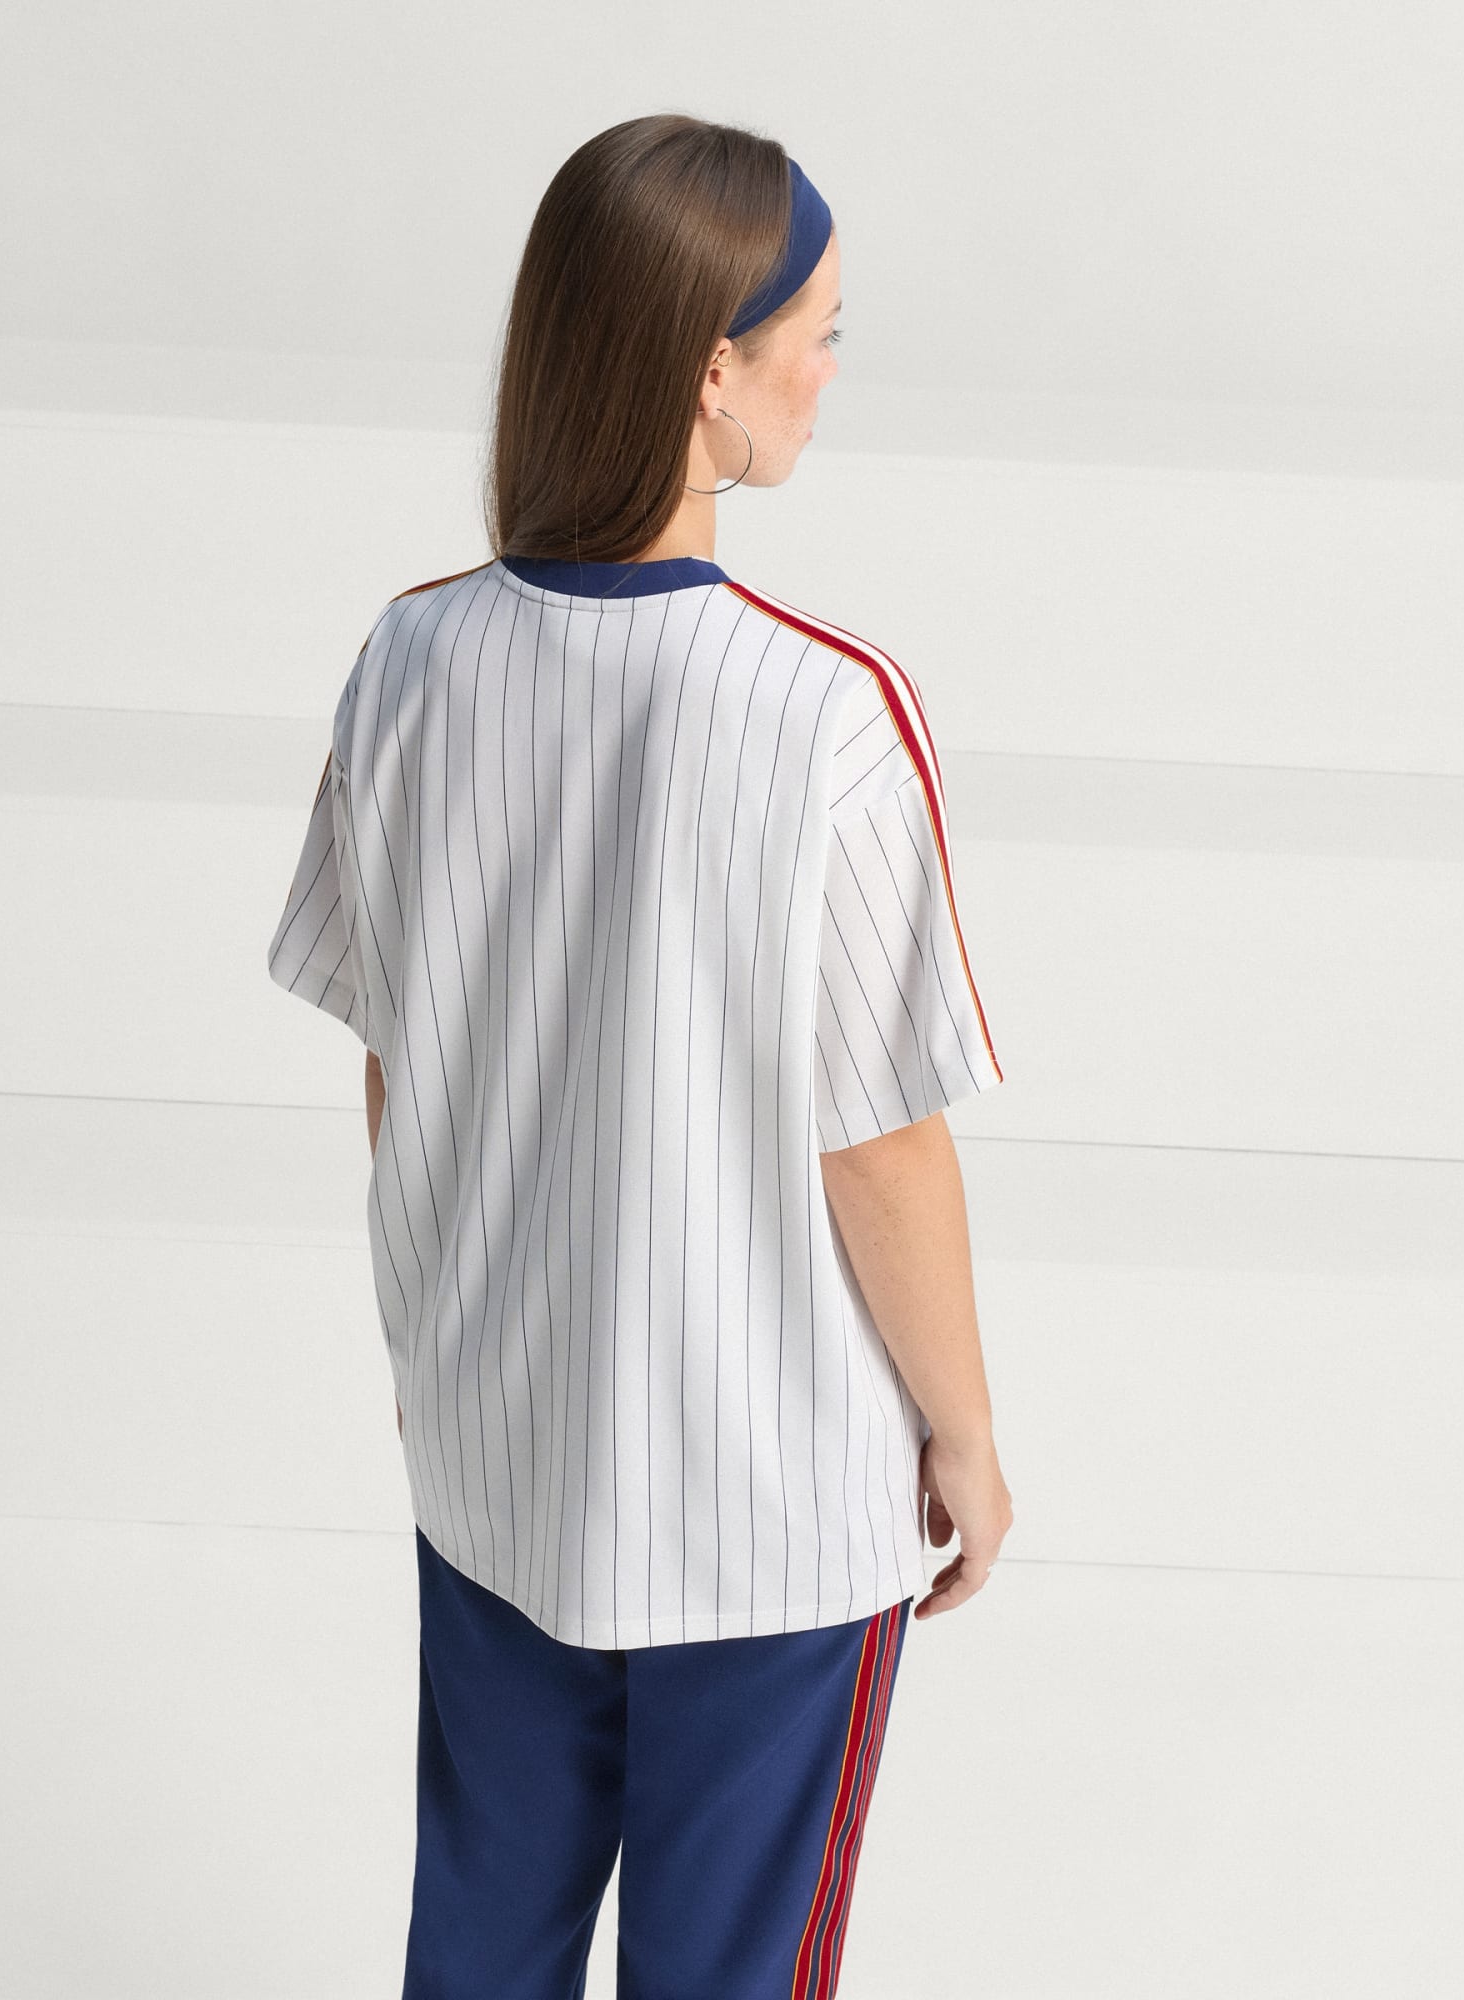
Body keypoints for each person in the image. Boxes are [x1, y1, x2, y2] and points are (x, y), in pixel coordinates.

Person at [266, 113, 1013, 2000]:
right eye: (819, 335)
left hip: (500, 1457)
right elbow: (880, 1144)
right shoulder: (830, 714)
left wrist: (444, 1353)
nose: (832, 373)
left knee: (482, 1945)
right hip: (770, 1510)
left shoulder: (408, 661)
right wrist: (967, 1433)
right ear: (709, 371)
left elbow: (398, 1066)